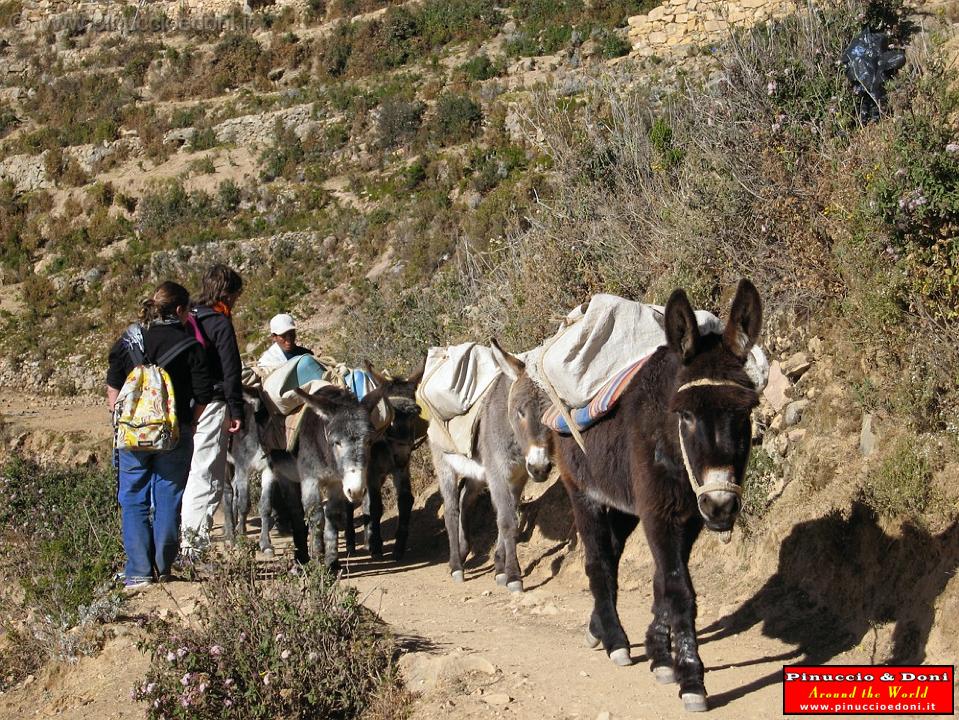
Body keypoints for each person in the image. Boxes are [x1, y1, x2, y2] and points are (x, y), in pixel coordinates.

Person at [106, 282, 213, 591]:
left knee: (133, 498)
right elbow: (204, 394)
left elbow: (113, 384)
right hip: (173, 433)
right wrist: (190, 423)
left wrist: (120, 419)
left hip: (132, 435)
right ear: (179, 311)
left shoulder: (129, 340)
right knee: (168, 497)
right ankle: (163, 568)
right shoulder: (191, 346)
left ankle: (138, 572)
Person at [179, 264, 245, 559]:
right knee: (207, 478)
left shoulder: (186, 317)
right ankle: (192, 549)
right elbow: (232, 372)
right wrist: (237, 410)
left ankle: (177, 543)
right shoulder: (219, 322)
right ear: (228, 294)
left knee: (187, 474)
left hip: (183, 407)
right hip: (212, 406)